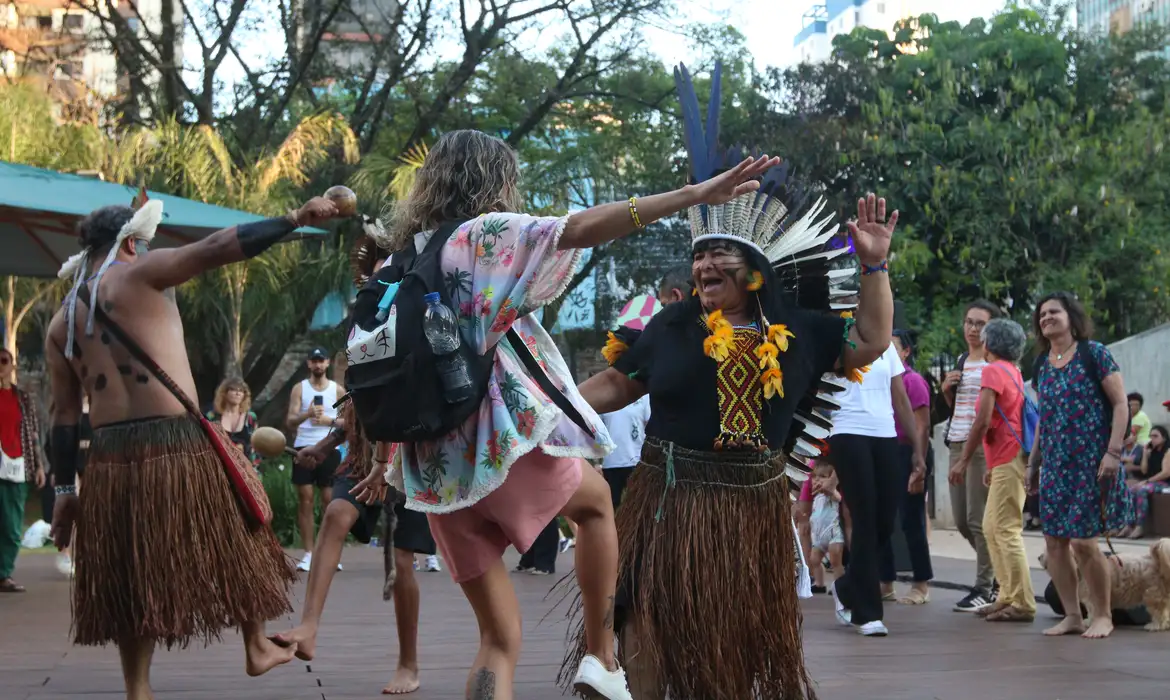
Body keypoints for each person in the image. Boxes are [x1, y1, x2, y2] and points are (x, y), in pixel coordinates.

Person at [345, 128, 783, 700]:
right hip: (493, 445)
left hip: (433, 473)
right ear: (495, 181)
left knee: (498, 641)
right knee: (597, 503)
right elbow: (578, 228)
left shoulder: (401, 260)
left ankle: (583, 664)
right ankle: (602, 656)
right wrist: (692, 196)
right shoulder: (481, 236)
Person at [552, 59, 896, 700]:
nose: (705, 262)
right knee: (647, 621)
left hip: (751, 507)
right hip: (669, 497)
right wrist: (553, 407)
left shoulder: (804, 330)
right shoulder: (675, 325)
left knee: (729, 642)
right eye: (699, 255)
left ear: (756, 271)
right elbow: (618, 383)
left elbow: (871, 341)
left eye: (720, 255)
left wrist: (873, 267)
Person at [45, 196, 339, 699]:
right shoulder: (138, 272)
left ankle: (138, 689)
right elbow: (217, 247)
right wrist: (292, 219)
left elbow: (65, 417)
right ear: (132, 242)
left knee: (130, 571)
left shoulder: (60, 325)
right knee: (242, 536)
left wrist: (64, 492)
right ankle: (255, 647)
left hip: (111, 459)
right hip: (177, 445)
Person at [1027, 291, 1131, 639]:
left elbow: (1120, 405)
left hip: (1092, 463)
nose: (1047, 318)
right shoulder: (1042, 363)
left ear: (1071, 316)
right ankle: (1072, 615)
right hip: (1055, 466)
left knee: (1084, 543)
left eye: (1053, 312)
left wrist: (1113, 452)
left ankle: (1102, 614)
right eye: (1042, 315)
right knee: (1054, 543)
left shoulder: (1094, 353)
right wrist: (1033, 464)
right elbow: (1044, 418)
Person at [828, 336, 927, 637]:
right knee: (865, 516)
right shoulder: (834, 339)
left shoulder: (885, 346)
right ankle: (867, 614)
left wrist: (917, 450)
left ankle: (846, 587)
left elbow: (899, 397)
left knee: (885, 521)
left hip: (885, 433)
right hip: (846, 430)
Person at [952, 318, 1035, 623]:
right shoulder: (1013, 371)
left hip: (1007, 457)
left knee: (1005, 529)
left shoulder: (992, 370)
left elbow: (983, 420)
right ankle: (1007, 596)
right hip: (1005, 457)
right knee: (991, 528)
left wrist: (964, 460)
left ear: (989, 344)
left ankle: (1023, 602)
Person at [941, 300, 1002, 613]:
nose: (973, 329)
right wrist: (947, 392)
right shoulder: (964, 359)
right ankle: (996, 577)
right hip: (956, 441)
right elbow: (961, 407)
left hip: (981, 447)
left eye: (980, 324)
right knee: (963, 522)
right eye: (969, 322)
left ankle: (984, 587)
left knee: (978, 521)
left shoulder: (997, 362)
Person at [879, 329, 933, 606]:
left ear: (905, 352)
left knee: (911, 521)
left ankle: (921, 585)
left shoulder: (912, 381)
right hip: (888, 451)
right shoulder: (882, 380)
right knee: (883, 520)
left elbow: (922, 427)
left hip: (910, 451)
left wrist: (918, 461)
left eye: (892, 346)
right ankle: (885, 583)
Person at [287, 347, 343, 572]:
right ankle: (309, 552)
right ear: (308, 364)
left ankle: (328, 551)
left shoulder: (337, 390)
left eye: (321, 361)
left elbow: (349, 421)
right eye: (314, 361)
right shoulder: (299, 388)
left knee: (330, 499)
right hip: (303, 445)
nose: (318, 365)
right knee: (305, 498)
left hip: (329, 446)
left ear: (328, 363)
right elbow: (290, 421)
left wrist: (329, 420)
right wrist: (307, 415)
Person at [0, 348, 46, 593]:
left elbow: (33, 434)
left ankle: (3, 574)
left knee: (11, 524)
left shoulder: (22, 398)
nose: (0, 365)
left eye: (3, 361)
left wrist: (38, 466)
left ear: (12, 366)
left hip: (17, 465)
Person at [1120, 425, 1170, 539]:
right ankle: (1129, 524)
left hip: (1165, 483)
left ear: (1164, 438)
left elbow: (1166, 473)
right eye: (1151, 436)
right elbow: (1144, 470)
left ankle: (1140, 526)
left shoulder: (1168, 451)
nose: (1152, 439)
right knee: (1131, 490)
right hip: (1152, 482)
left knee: (1142, 490)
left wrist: (1147, 481)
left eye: (1156, 436)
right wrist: (1145, 454)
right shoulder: (1151, 451)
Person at [806, 460, 845, 593]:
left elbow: (839, 499)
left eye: (823, 477)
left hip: (833, 532)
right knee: (814, 559)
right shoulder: (816, 497)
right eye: (815, 477)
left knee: (835, 560)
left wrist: (832, 490)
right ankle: (819, 583)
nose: (818, 480)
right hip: (819, 534)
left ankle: (839, 585)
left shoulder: (831, 495)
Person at [206, 377, 259, 464]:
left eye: (241, 391)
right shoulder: (212, 416)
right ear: (224, 393)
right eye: (233, 390)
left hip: (244, 466)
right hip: (217, 464)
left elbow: (255, 446)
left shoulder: (250, 417)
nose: (238, 393)